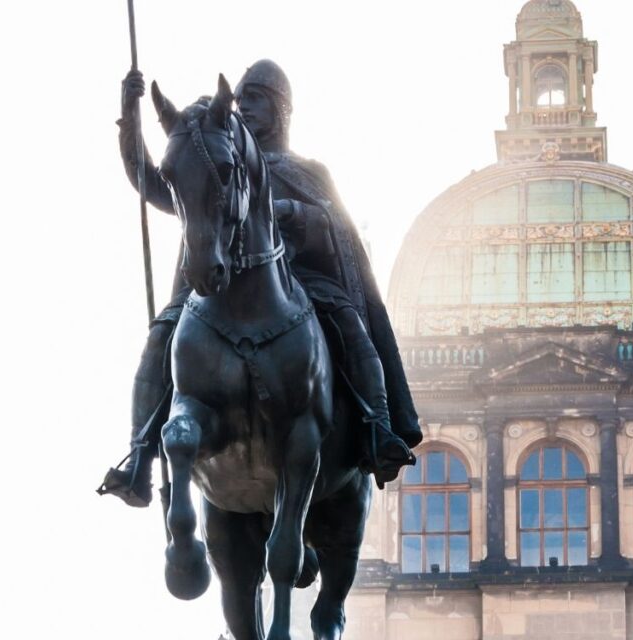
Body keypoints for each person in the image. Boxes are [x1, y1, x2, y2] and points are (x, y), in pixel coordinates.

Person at [101, 60, 422, 507]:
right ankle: (139, 456)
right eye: (240, 98)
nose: (243, 106)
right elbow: (153, 181)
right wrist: (129, 113)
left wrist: (292, 212)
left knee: (349, 322)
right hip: (215, 285)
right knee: (161, 335)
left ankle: (379, 428)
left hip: (302, 283)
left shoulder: (308, 169)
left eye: (254, 98)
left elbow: (334, 227)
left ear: (280, 110)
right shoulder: (217, 162)